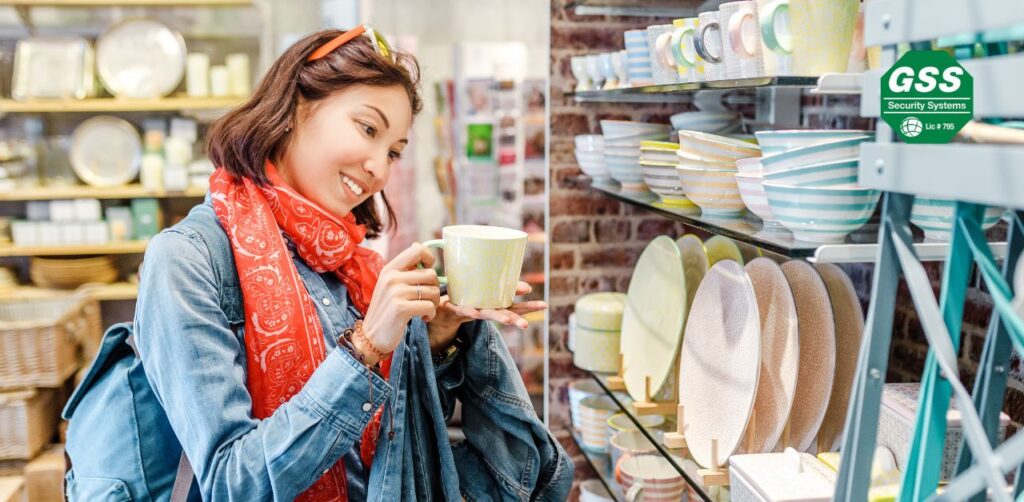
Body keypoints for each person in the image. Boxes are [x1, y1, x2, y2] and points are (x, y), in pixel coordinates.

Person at [63, 26, 573, 501]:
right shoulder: (189, 259)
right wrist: (364, 349)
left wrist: (437, 342)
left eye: (394, 152)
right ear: (296, 107)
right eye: (367, 128)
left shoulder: (349, 263)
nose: (378, 169)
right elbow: (230, 482)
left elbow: (388, 443)